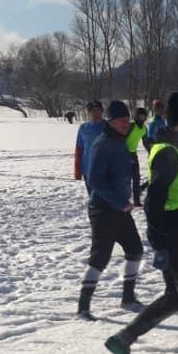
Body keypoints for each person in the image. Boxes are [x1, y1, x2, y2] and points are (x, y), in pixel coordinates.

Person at [105, 92, 178, 354]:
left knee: (177, 295)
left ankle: (123, 338)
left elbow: (175, 196)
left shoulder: (173, 149)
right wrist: (161, 241)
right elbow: (154, 200)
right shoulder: (168, 152)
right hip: (176, 237)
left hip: (176, 233)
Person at [77, 101, 144, 321]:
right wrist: (119, 201)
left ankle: (128, 298)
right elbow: (95, 179)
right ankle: (83, 308)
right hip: (103, 210)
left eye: (127, 120)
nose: (126, 124)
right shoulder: (102, 143)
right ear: (110, 121)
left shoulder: (120, 141)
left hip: (120, 209)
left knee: (135, 249)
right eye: (121, 121)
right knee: (100, 258)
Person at [73, 100, 107, 184]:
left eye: (98, 110)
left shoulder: (109, 126)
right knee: (92, 196)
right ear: (89, 112)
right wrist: (78, 171)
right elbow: (79, 150)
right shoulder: (83, 128)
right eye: (93, 110)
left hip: (105, 171)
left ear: (102, 111)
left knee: (104, 196)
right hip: (88, 170)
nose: (95, 113)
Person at [126, 106, 149, 206]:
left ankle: (136, 201)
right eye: (140, 116)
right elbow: (122, 138)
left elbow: (145, 142)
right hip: (123, 154)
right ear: (136, 116)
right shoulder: (131, 126)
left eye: (144, 116)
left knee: (136, 178)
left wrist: (151, 151)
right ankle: (124, 200)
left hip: (133, 154)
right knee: (125, 178)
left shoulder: (144, 128)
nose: (142, 118)